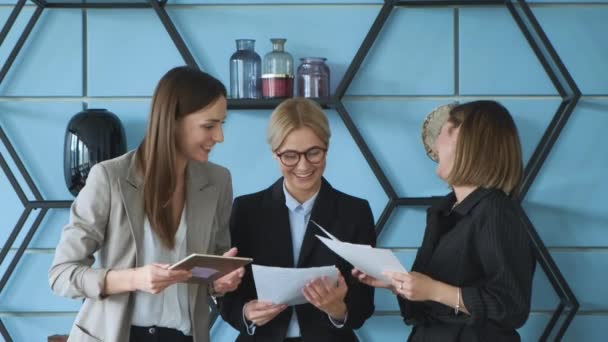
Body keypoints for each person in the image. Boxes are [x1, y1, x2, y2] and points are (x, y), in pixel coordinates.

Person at [49, 66, 244, 342]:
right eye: (209, 125)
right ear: (173, 120)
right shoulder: (109, 178)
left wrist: (219, 281)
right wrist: (134, 279)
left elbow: (215, 262)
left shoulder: (218, 181)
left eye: (222, 124)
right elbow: (62, 274)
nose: (220, 137)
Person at [354, 100, 536, 341]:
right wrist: (398, 284)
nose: (436, 143)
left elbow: (511, 307)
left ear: (471, 144)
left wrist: (434, 290)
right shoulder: (444, 211)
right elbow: (427, 308)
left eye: (445, 132)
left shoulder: (495, 210)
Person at [219, 98, 376, 342]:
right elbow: (226, 293)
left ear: (327, 147)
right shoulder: (246, 210)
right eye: (290, 155)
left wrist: (338, 310)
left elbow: (364, 303)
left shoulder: (355, 212)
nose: (303, 166)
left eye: (314, 152)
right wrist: (246, 313)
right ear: (274, 154)